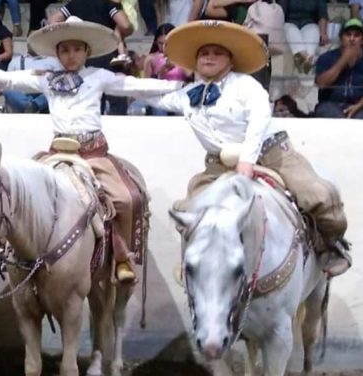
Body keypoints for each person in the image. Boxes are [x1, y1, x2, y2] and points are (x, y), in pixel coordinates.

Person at [0, 17, 184, 282]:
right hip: (58, 152)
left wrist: (179, 86)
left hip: (93, 154)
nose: (71, 56)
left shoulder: (99, 76)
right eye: (64, 50)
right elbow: (8, 80)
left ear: (87, 52)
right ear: (57, 53)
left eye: (77, 49)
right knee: (21, 194)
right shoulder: (46, 78)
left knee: (127, 198)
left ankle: (121, 257)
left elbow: (135, 86)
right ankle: (16, 254)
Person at [145, 20, 350, 276]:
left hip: (272, 153)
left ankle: (332, 246)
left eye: (217, 53)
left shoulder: (247, 86)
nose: (209, 57)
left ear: (231, 61)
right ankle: (196, 262)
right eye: (204, 53)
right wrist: (116, 83)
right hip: (219, 166)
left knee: (318, 194)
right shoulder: (189, 93)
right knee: (187, 210)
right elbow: (155, 95)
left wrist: (246, 160)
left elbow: (259, 119)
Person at [49, 0, 135, 114]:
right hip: (108, 56)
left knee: (90, 103)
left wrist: (71, 36)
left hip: (84, 57)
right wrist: (130, 29)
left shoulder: (77, 0)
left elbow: (53, 20)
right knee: (117, 102)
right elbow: (124, 25)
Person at [314, 18, 363, 119]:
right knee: (333, 117)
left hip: (359, 106)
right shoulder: (326, 57)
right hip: (330, 104)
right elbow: (321, 84)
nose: (352, 39)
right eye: (348, 34)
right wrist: (343, 60)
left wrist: (358, 106)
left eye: (357, 35)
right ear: (341, 38)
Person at [279, 0, 329, 74]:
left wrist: (323, 33)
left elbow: (323, 13)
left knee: (314, 30)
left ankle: (306, 60)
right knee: (291, 30)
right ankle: (307, 59)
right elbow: (281, 11)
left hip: (309, 23)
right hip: (290, 22)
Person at [142, 23, 192, 115]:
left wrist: (180, 62)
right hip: (161, 96)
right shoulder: (151, 58)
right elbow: (146, 85)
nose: (163, 47)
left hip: (181, 94)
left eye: (167, 43)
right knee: (159, 110)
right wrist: (160, 73)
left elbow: (192, 78)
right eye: (160, 43)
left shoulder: (184, 56)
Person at [4, 44, 62, 113]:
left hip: (43, 92)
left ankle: (34, 105)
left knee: (58, 89)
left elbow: (60, 80)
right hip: (22, 92)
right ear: (27, 43)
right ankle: (28, 106)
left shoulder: (53, 61)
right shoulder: (16, 61)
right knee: (6, 88)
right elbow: (7, 81)